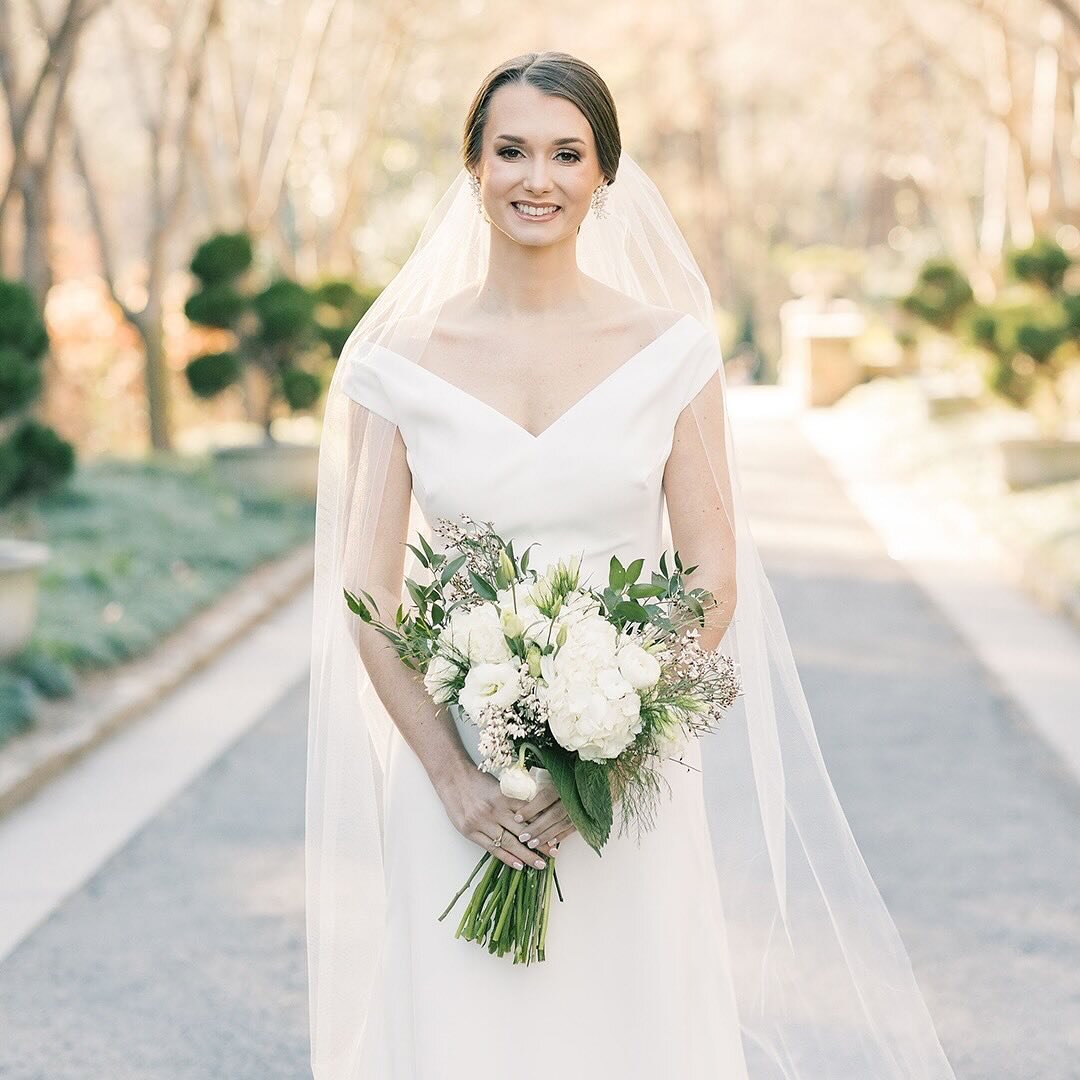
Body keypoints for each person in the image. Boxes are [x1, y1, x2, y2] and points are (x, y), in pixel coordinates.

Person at [306, 50, 958, 1080]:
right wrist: (451, 777)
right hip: (462, 774)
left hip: (625, 782)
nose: (538, 178)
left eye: (567, 154)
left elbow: (711, 573)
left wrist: (609, 752)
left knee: (630, 1030)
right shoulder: (398, 365)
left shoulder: (669, 350)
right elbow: (366, 594)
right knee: (462, 1028)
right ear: (472, 165)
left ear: (603, 176)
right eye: (512, 150)